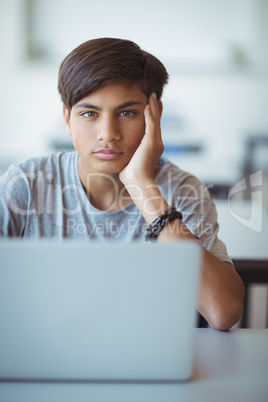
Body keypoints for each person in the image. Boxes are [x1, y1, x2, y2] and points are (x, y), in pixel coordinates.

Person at [0, 37, 244, 330]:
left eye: (127, 113)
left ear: (155, 115)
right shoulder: (25, 184)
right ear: (67, 118)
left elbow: (223, 312)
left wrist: (141, 184)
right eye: (89, 114)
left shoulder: (183, 190)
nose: (108, 133)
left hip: (146, 362)